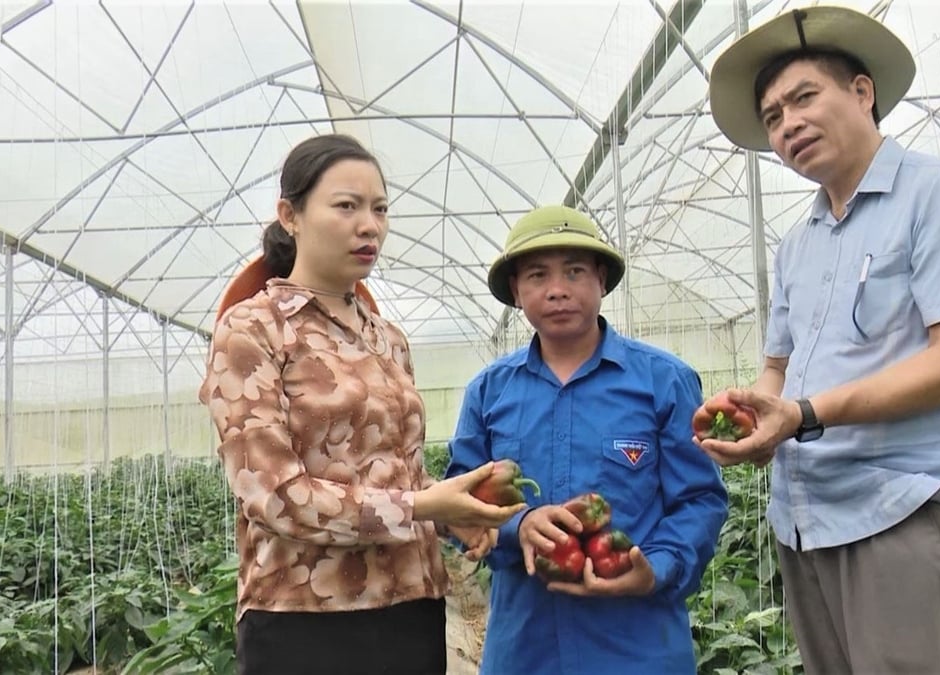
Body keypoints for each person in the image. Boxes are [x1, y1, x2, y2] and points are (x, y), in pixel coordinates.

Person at [701, 6, 940, 673]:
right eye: (773, 117)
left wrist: (805, 414)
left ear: (862, 92)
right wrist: (754, 413)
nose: (788, 124)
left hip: (902, 516)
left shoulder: (939, 193)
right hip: (805, 523)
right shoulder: (798, 244)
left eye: (803, 98)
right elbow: (778, 370)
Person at [198, 133, 523, 675]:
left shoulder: (387, 338)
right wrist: (423, 507)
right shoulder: (254, 328)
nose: (369, 225)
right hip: (306, 617)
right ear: (290, 216)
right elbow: (274, 496)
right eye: (346, 206)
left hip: (412, 602)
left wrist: (453, 516)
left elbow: (401, 474)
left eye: (380, 209)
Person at [443, 205, 728, 673]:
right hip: (526, 648)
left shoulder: (663, 381)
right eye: (537, 275)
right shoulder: (489, 392)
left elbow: (700, 499)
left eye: (574, 271)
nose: (557, 289)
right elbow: (458, 505)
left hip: (638, 646)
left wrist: (655, 567)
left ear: (601, 279)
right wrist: (519, 526)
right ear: (516, 290)